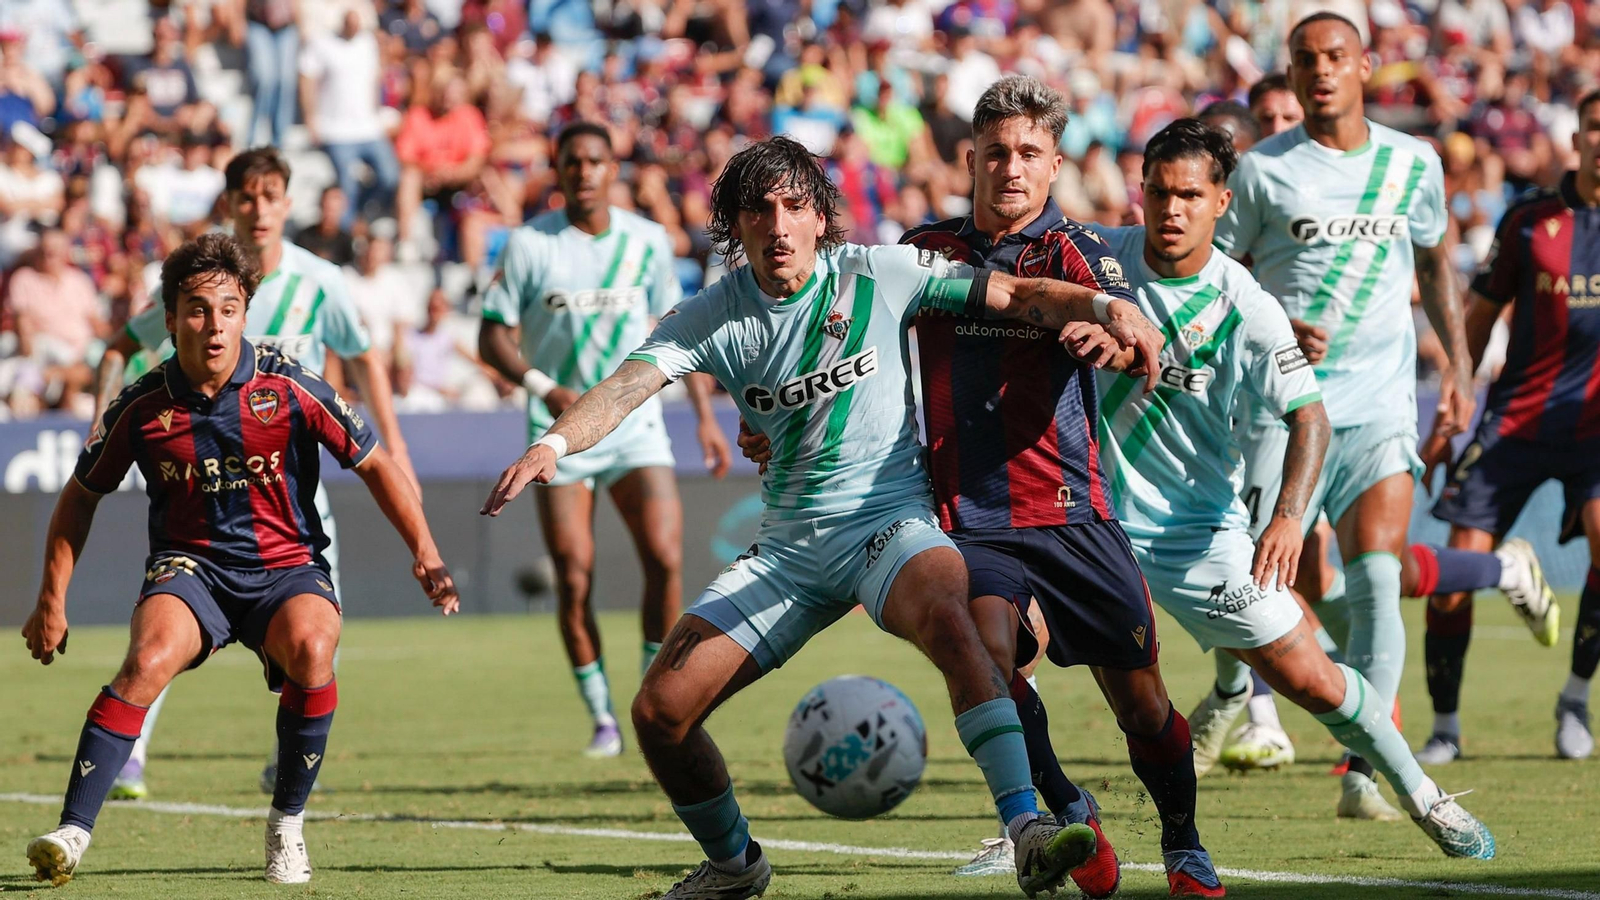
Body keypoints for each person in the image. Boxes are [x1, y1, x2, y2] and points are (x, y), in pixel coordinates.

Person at [480, 134, 1166, 900]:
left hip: (889, 524)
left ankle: (1026, 827)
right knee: (659, 713)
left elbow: (1018, 294)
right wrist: (553, 442)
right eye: (758, 210)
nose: (778, 225)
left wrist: (1110, 306)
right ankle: (736, 866)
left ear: (820, 218)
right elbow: (623, 386)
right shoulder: (711, 315)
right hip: (789, 552)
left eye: (794, 207)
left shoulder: (879, 271)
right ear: (733, 227)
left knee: (950, 611)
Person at [833, 75, 1213, 898]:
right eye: (997, 152)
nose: (1011, 167)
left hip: (1072, 515)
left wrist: (1114, 334)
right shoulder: (925, 249)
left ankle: (1184, 845)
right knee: (987, 659)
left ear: (1054, 165)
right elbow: (857, 351)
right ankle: (1070, 806)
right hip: (968, 521)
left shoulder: (1073, 248)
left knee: (1144, 710)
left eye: (1029, 153)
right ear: (971, 158)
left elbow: (1114, 310)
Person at [1100, 117, 1494, 861]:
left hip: (1198, 538)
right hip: (1092, 528)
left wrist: (1285, 519)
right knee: (1005, 634)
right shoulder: (1102, 263)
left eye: (1189, 195)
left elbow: (1309, 418)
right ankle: (1024, 818)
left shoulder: (1246, 304)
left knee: (1312, 678)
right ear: (1141, 195)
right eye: (1157, 193)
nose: (1171, 210)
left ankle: (1423, 797)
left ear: (1223, 201)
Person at [22, 233, 457, 887]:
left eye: (228, 308)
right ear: (170, 320)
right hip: (190, 568)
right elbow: (80, 497)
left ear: (245, 313)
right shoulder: (142, 405)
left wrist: (425, 550)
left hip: (285, 568)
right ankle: (73, 832)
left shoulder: (288, 384)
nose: (214, 324)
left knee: (314, 647)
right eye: (197, 309)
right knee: (144, 661)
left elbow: (373, 463)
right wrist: (51, 598)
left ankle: (286, 826)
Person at [1208, 12, 1539, 819]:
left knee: (1379, 581)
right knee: (1276, 592)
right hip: (1284, 413)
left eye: (1334, 58)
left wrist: (1458, 369)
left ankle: (1363, 772)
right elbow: (1219, 276)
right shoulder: (1260, 173)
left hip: (1382, 405)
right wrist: (1272, 325)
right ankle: (1231, 691)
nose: (1319, 73)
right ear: (1289, 74)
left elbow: (1434, 264)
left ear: (1366, 65)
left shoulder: (1412, 163)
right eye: (1303, 61)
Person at [94, 146, 421, 800]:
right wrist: (101, 424)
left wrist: (394, 443)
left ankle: (286, 760)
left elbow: (364, 359)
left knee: (315, 633)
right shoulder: (203, 283)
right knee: (161, 631)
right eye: (247, 196)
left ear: (287, 203)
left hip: (292, 499)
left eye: (271, 196)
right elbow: (123, 344)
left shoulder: (321, 281)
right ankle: (131, 756)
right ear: (231, 204)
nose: (259, 208)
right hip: (206, 491)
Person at [478, 121, 732, 757]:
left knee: (666, 558)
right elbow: (491, 335)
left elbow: (684, 333)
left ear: (612, 168)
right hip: (558, 432)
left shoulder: (647, 242)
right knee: (575, 574)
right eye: (573, 161)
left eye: (596, 160)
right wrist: (543, 385)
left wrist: (704, 416)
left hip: (635, 423)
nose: (585, 171)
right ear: (558, 171)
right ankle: (602, 719)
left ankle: (654, 697)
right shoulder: (530, 245)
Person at [1423, 89, 1600, 762]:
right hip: (1516, 422)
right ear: (1576, 138)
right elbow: (1478, 316)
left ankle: (1576, 699)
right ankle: (1445, 726)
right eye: (1594, 127)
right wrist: (1454, 397)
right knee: (1455, 572)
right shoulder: (1530, 221)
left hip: (1595, 433)